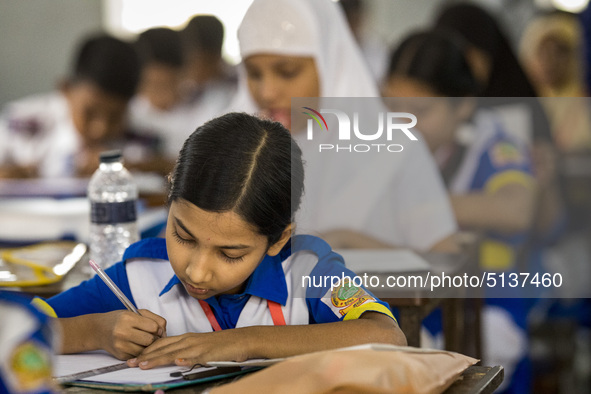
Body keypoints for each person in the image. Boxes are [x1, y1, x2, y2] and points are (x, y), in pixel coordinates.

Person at [38, 112, 406, 367]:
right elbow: (20, 327)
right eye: (182, 235)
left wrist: (243, 342)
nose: (196, 271)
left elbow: (387, 336)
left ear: (278, 240)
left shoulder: (308, 271)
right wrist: (96, 331)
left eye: (230, 254)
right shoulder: (137, 276)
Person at [230, 0, 459, 253]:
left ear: (330, 64)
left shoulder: (398, 148)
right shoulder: (240, 148)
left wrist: (350, 242)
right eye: (253, 74)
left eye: (288, 72)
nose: (267, 92)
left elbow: (445, 262)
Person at [384, 29, 538, 394]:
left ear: (464, 105)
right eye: (393, 108)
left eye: (421, 111)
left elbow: (517, 209)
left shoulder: (494, 146)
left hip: (488, 307)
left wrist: (417, 209)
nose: (404, 124)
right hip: (408, 304)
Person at [0, 33, 150, 178]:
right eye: (89, 112)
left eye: (115, 117)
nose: (100, 129)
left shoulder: (144, 131)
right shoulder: (19, 122)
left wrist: (129, 166)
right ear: (65, 89)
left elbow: (166, 168)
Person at [128, 27, 198, 166]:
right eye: (153, 86)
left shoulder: (203, 112)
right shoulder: (128, 115)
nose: (164, 97)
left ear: (186, 73)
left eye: (171, 85)